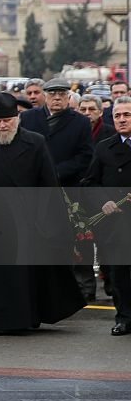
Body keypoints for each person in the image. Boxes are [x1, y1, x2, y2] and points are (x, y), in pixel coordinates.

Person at [0, 93, 85, 334]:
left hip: (28, 222)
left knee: (24, 276)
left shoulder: (35, 143)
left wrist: (51, 224)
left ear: (17, 118)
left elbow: (49, 186)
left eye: (7, 120)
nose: (2, 125)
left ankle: (24, 318)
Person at [20, 78, 95, 299]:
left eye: (61, 94)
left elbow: (85, 156)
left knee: (78, 237)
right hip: (37, 190)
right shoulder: (29, 118)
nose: (57, 98)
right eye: (52, 94)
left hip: (69, 188)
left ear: (68, 97)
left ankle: (84, 285)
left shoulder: (80, 122)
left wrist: (57, 172)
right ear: (45, 96)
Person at [83, 96, 131, 336]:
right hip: (117, 223)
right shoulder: (104, 147)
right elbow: (89, 183)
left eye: (127, 115)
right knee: (119, 274)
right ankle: (124, 318)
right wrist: (104, 201)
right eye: (117, 116)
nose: (122, 120)